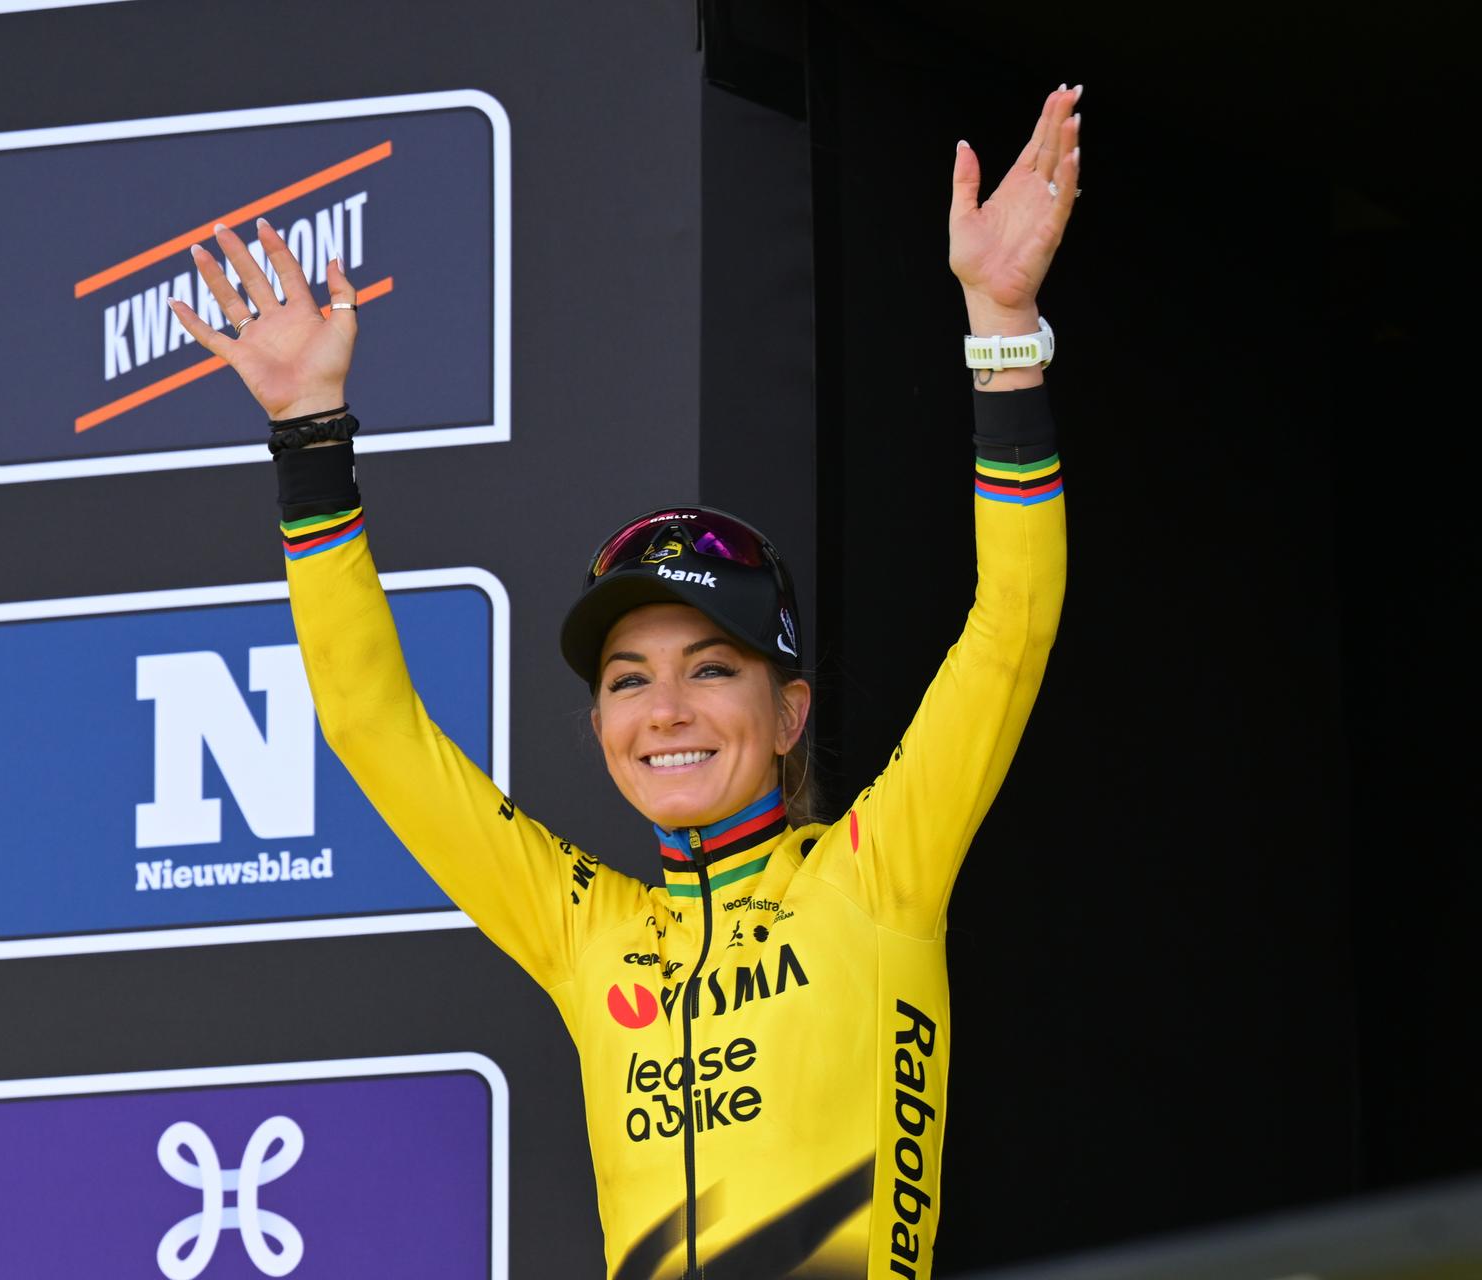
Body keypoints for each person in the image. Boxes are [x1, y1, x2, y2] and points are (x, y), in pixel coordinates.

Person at [170, 84, 1078, 1280]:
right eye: (628, 678)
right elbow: (369, 724)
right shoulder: (587, 928)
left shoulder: (876, 877)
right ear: (600, 720)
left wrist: (1002, 328)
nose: (667, 710)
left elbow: (1010, 627)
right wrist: (308, 439)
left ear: (789, 710)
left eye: (712, 667)